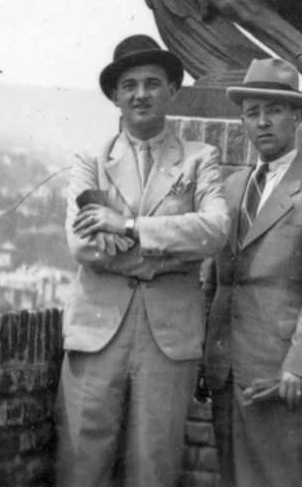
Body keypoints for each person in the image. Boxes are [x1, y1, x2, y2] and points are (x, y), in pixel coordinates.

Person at [58, 34, 231, 487]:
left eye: (153, 83)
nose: (141, 94)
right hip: (97, 332)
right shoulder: (90, 162)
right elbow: (83, 247)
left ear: (172, 90)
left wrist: (128, 228)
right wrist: (168, 255)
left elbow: (214, 230)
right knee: (82, 463)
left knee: (154, 465)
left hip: (168, 339)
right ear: (114, 95)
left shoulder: (199, 159)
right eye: (129, 84)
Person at [204, 59, 302, 487]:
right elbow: (213, 277)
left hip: (277, 368)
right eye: (252, 112)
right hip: (223, 363)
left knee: (275, 478)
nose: (262, 122)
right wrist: (205, 350)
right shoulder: (229, 186)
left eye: (275, 110)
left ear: (297, 116)